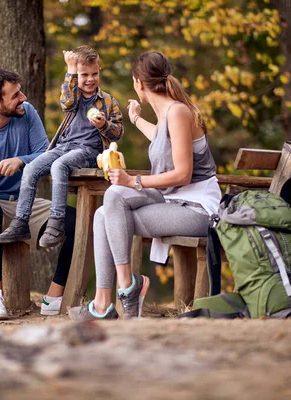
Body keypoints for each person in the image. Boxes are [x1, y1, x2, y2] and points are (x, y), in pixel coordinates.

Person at [69, 51, 222, 321]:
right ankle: (107, 300)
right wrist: (137, 119)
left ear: (139, 83)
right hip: (172, 201)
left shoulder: (178, 112)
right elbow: (162, 139)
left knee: (112, 206)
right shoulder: (168, 114)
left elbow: (183, 174)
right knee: (108, 205)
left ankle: (124, 290)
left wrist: (133, 181)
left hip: (197, 208)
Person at [0, 68, 77, 320]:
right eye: (15, 95)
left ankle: (54, 296)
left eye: (20, 91)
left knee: (77, 221)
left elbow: (46, 154)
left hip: (23, 203)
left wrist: (21, 161)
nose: (23, 97)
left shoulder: (27, 113)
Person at [0, 45, 123, 248]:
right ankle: (21, 222)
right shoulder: (74, 95)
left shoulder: (108, 102)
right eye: (84, 74)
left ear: (99, 72)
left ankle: (56, 224)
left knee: (59, 166)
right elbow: (67, 103)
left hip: (88, 150)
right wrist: (70, 71)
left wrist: (104, 125)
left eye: (94, 74)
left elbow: (118, 133)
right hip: (64, 146)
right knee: (32, 167)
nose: (90, 79)